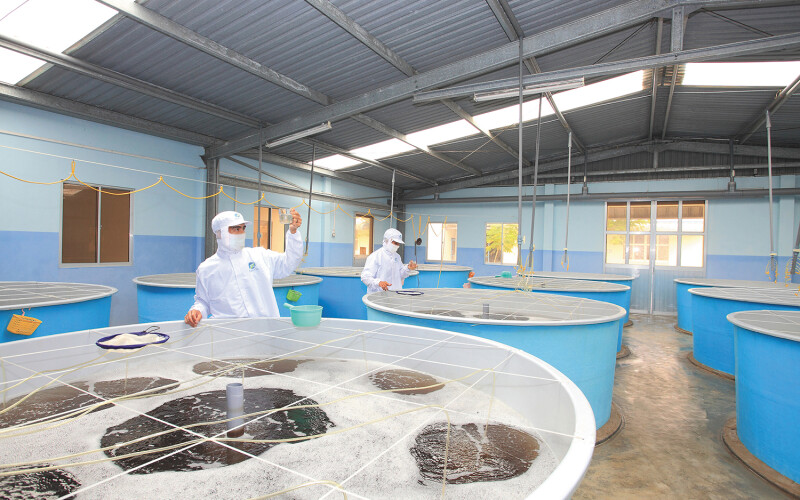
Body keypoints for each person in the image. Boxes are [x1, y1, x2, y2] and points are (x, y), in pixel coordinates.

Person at [184, 209, 303, 327]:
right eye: (236, 229)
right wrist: (197, 311)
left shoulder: (260, 256)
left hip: (266, 330)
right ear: (220, 233)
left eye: (243, 228)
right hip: (228, 334)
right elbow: (203, 302)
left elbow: (289, 263)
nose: (241, 232)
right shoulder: (207, 269)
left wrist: (293, 233)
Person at [361, 228, 418, 293]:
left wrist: (408, 268)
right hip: (379, 296)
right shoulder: (375, 256)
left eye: (398, 243)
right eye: (395, 243)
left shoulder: (397, 256)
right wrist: (378, 282)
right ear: (386, 240)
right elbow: (365, 277)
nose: (397, 245)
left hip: (395, 294)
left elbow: (400, 275)